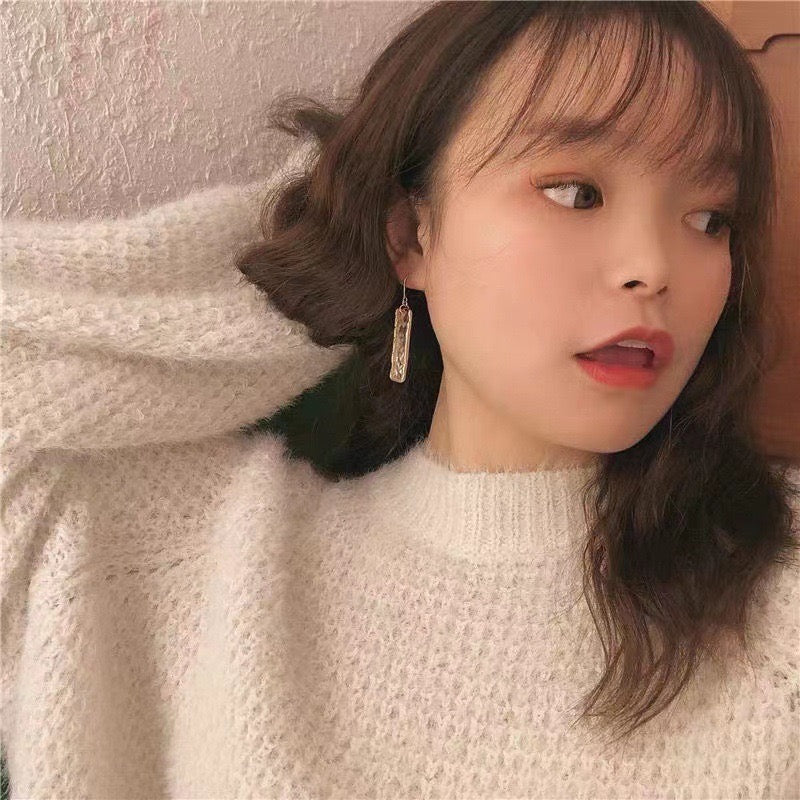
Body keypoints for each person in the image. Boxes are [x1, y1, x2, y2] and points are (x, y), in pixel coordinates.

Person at [2, 2, 798, 798]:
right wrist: (316, 263)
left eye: (709, 218)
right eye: (575, 192)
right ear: (410, 235)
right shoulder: (203, 554)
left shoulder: (779, 602)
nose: (654, 267)